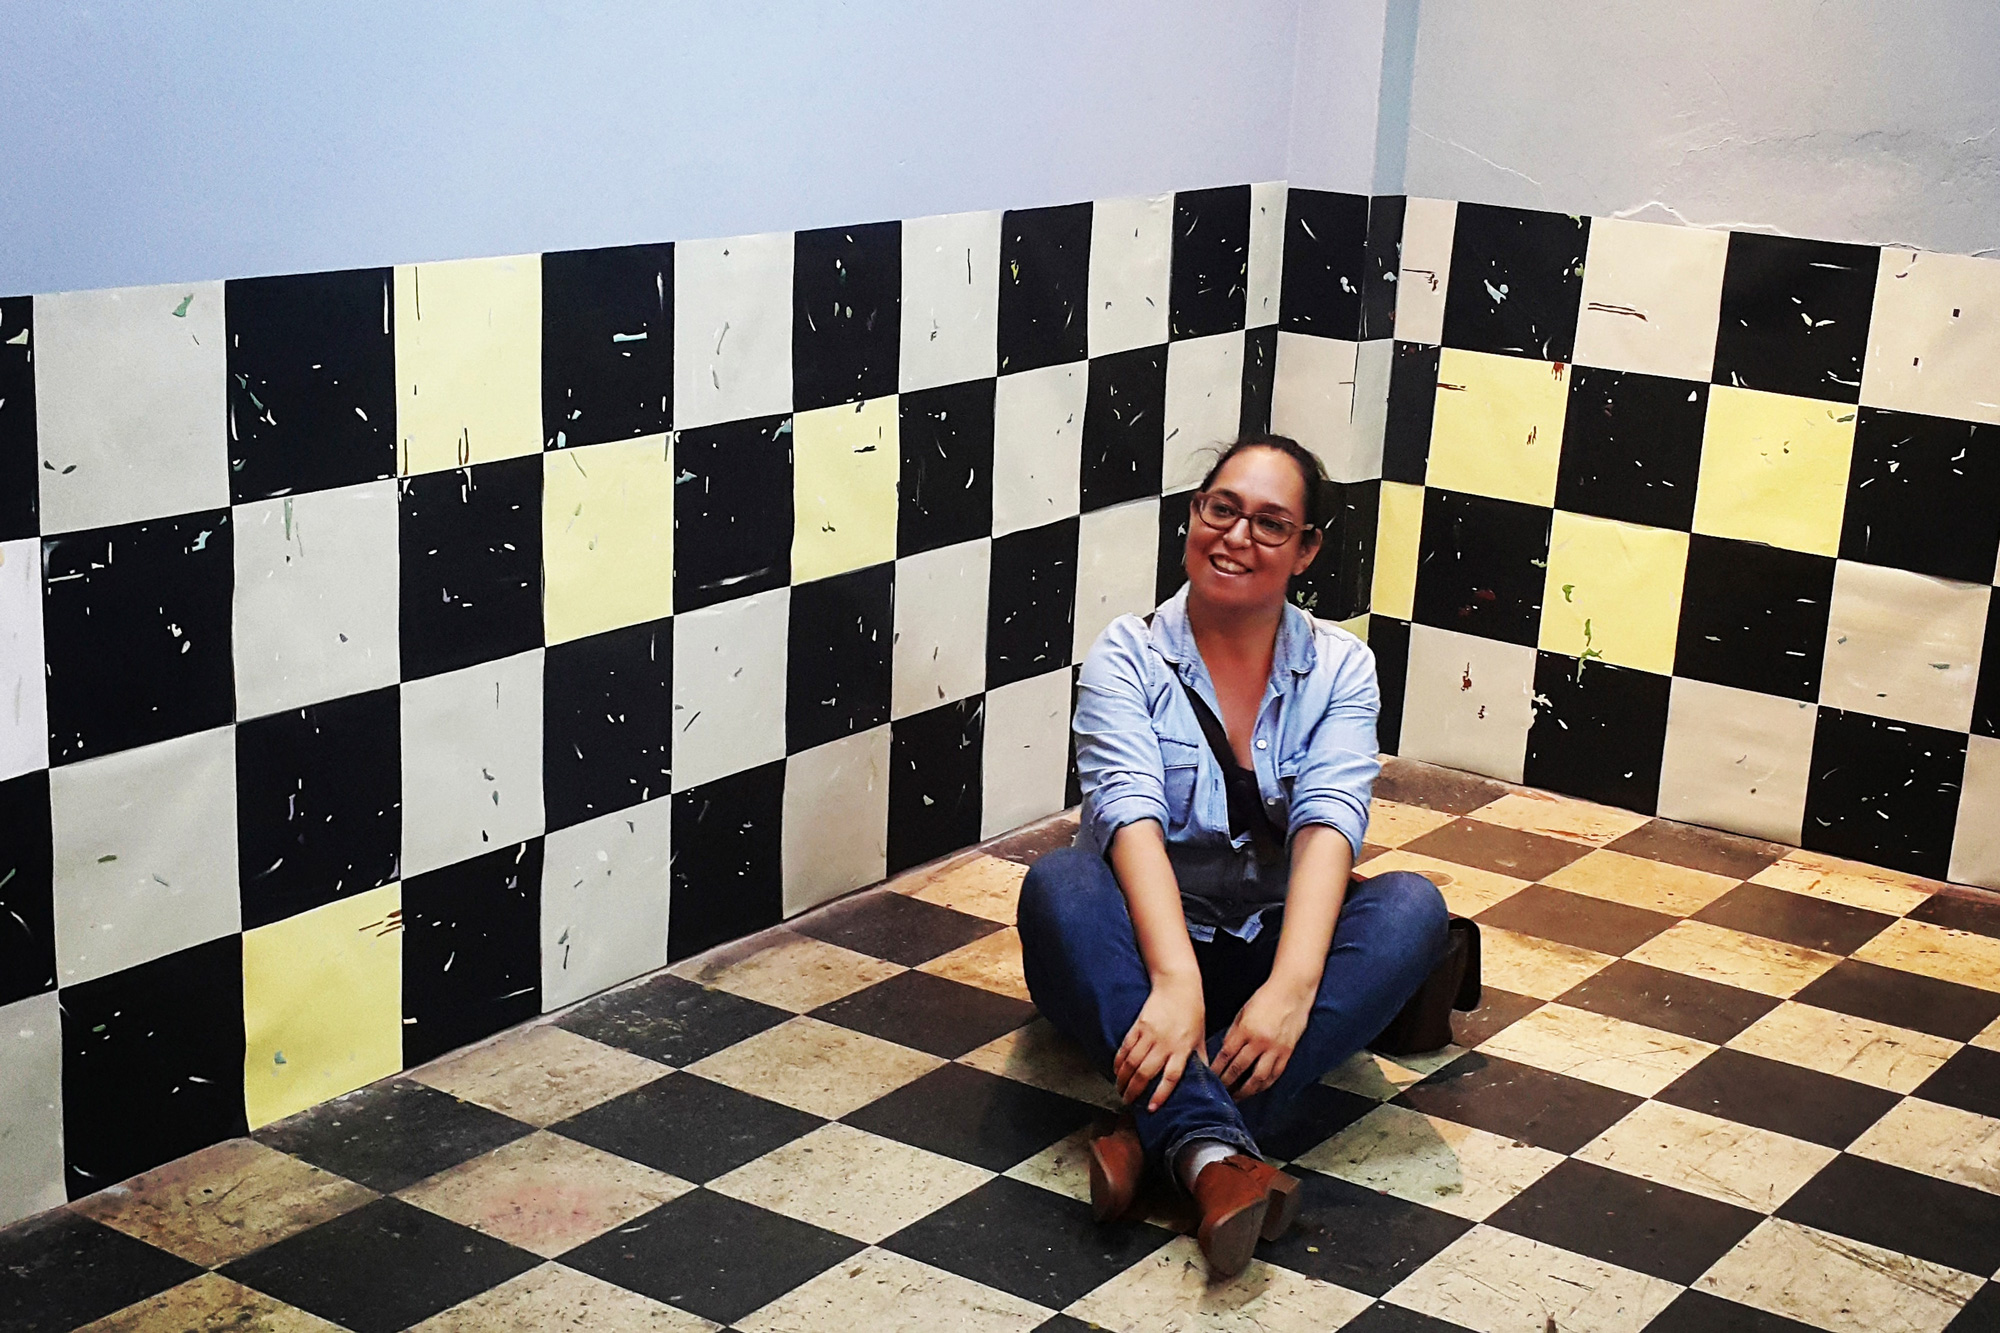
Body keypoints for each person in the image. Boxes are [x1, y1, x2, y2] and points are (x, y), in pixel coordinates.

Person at [1016, 434, 1448, 1277]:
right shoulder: (1126, 655)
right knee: (1060, 884)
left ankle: (1167, 1140)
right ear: (1194, 514)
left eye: (1271, 523)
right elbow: (1130, 819)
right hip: (1136, 959)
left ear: (1306, 549)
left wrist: (1290, 989)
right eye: (1222, 509)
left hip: (1264, 951)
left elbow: (1330, 825)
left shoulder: (1341, 668)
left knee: (1412, 907)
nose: (1237, 536)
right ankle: (1215, 1155)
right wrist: (1175, 980)